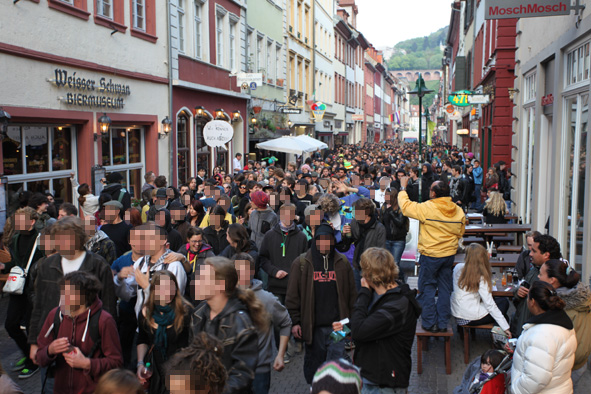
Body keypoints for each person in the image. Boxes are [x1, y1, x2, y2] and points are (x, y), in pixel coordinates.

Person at [28, 217, 118, 376]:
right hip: (53, 340)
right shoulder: (48, 265)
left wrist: (105, 345)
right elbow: (39, 306)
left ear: (79, 238)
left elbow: (109, 307)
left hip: (88, 342)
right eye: (57, 238)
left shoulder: (98, 265)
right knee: (52, 385)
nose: (60, 243)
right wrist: (34, 342)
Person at [285, 223, 357, 384]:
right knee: (314, 367)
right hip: (313, 327)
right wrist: (295, 322)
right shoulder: (301, 263)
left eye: (328, 240)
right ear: (315, 241)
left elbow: (352, 295)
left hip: (339, 326)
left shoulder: (342, 262)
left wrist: (351, 322)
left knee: (337, 367)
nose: (325, 244)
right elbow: (292, 297)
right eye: (321, 240)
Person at [345, 247, 420, 393]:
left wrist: (364, 293)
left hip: (383, 382)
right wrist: (342, 330)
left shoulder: (397, 305)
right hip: (371, 376)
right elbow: (363, 323)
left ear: (368, 274)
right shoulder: (382, 294)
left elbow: (360, 331)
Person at [35, 271, 123, 394]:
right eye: (62, 292)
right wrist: (50, 350)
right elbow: (39, 358)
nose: (62, 298)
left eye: (68, 294)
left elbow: (116, 362)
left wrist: (87, 364)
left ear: (85, 296)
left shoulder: (104, 320)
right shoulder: (54, 315)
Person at [398, 177, 465, 333]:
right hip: (448, 255)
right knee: (444, 289)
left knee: (427, 288)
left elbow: (406, 207)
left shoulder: (428, 208)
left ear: (434, 194)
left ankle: (428, 322)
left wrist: (403, 189)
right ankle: (442, 322)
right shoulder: (457, 210)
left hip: (430, 255)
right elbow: (460, 232)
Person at [191, 256, 267, 393]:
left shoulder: (241, 324)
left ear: (220, 284)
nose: (197, 282)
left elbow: (242, 376)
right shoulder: (198, 315)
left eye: (203, 278)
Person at [235, 253, 292, 394]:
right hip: (234, 371)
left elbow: (286, 322)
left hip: (259, 371)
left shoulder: (267, 299)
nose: (242, 275)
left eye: (246, 271)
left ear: (252, 272)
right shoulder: (226, 299)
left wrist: (280, 354)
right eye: (238, 272)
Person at [511, 281, 576, 394]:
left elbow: (535, 379)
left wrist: (515, 389)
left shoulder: (541, 335)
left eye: (528, 298)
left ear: (532, 302)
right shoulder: (563, 323)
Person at [1, 207, 44, 379]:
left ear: (32, 222)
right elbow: (17, 264)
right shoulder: (16, 238)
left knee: (33, 327)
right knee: (10, 325)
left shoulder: (41, 239)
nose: (16, 224)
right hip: (17, 288)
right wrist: (5, 266)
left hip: (34, 291)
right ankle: (28, 354)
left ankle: (33, 361)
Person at [114, 223, 187, 318]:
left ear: (163, 241)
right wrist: (119, 279)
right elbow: (127, 295)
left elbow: (173, 301)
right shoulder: (141, 263)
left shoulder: (174, 266)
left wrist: (147, 287)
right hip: (142, 324)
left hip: (164, 324)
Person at [136, 271, 192, 394]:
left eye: (171, 287)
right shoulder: (146, 312)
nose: (168, 291)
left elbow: (191, 343)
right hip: (156, 370)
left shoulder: (185, 312)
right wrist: (140, 363)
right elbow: (142, 339)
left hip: (179, 370)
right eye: (163, 287)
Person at [538, 259, 591, 385]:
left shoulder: (559, 306)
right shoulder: (582, 297)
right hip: (580, 360)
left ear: (552, 280)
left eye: (541, 274)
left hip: (565, 365)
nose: (538, 277)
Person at [451, 244, 511, 336]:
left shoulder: (458, 268)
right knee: (504, 303)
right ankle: (500, 334)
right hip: (470, 317)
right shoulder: (480, 276)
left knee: (501, 311)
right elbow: (489, 304)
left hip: (457, 313)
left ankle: (499, 332)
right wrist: (506, 327)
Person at [511, 234, 562, 337]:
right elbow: (520, 292)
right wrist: (518, 292)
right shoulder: (535, 269)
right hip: (522, 328)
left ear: (546, 255)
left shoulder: (553, 278)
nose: (530, 254)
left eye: (534, 251)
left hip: (532, 334)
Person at [341, 198, 386, 290]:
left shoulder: (379, 228)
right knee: (358, 294)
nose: (355, 214)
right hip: (357, 266)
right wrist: (345, 235)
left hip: (372, 269)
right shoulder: (354, 223)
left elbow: (382, 252)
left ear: (367, 212)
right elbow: (347, 245)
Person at [378, 189, 409, 265]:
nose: (386, 198)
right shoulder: (384, 206)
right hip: (386, 239)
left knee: (395, 263)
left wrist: (391, 211)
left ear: (393, 197)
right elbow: (381, 222)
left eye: (388, 196)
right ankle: (399, 275)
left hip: (398, 240)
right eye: (385, 196)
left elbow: (400, 222)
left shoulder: (401, 207)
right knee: (386, 263)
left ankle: (399, 276)